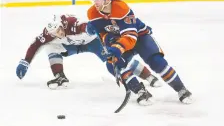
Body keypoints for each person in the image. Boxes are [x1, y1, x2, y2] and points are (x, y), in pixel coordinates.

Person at [86, 0, 193, 104]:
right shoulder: (92, 13)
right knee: (112, 65)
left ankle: (181, 89)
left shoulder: (121, 8)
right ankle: (141, 91)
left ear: (107, 0)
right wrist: (107, 39)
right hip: (119, 40)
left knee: (157, 62)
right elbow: (103, 33)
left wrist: (117, 47)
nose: (95, 1)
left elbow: (131, 36)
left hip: (140, 37)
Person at [16, 14, 161, 92]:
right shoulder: (48, 35)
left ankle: (148, 76)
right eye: (55, 33)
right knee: (50, 47)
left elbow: (85, 26)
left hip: (93, 43)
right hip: (72, 46)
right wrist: (25, 62)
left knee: (115, 59)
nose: (59, 33)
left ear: (62, 24)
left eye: (60, 30)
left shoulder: (72, 23)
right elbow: (35, 45)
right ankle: (60, 76)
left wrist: (89, 29)